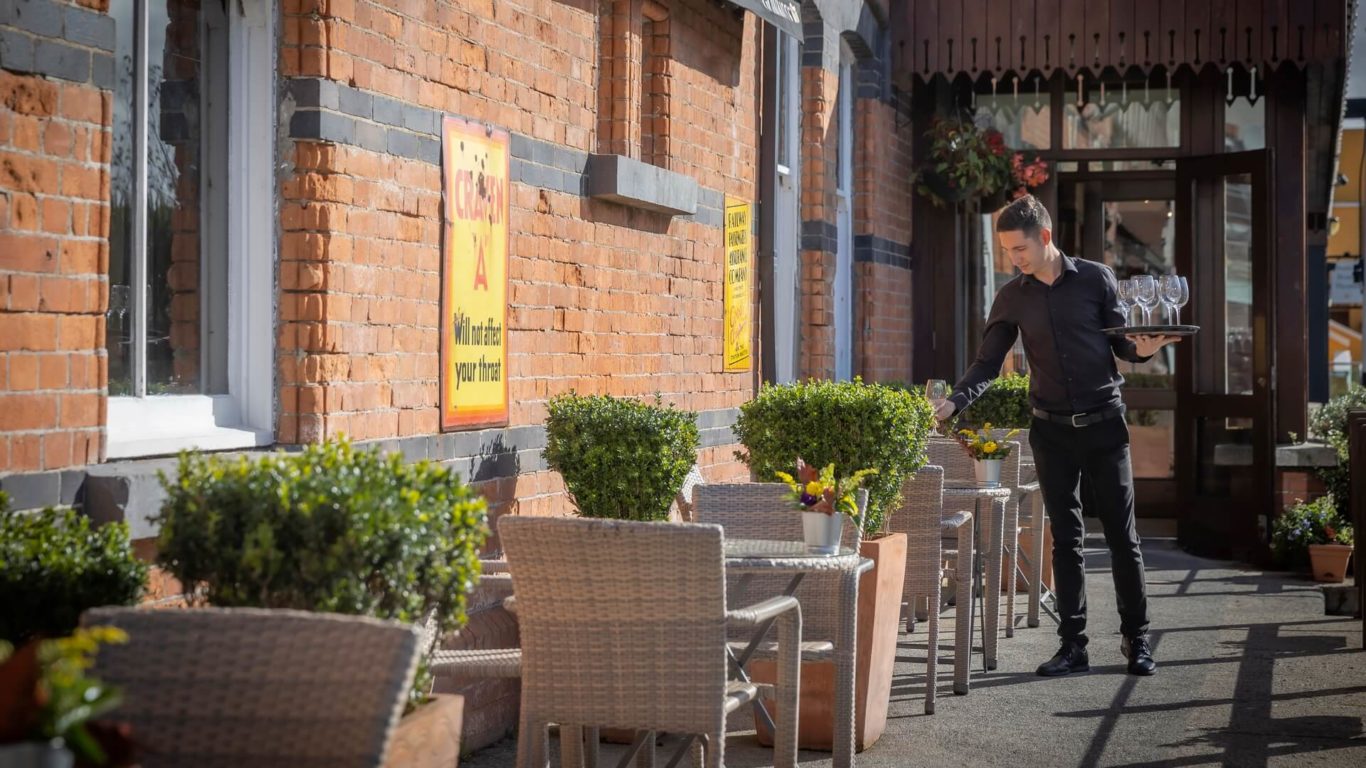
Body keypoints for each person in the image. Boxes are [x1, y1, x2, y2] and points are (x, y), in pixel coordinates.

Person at [935, 195, 1179, 677]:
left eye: (1020, 249)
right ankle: (1074, 646)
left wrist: (1144, 350)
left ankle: (1138, 640)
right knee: (1064, 540)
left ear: (1045, 237)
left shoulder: (1094, 279)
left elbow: (1122, 343)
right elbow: (987, 363)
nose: (1015, 260)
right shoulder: (1013, 296)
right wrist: (954, 402)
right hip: (1050, 430)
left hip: (1105, 425)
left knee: (1121, 538)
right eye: (1007, 252)